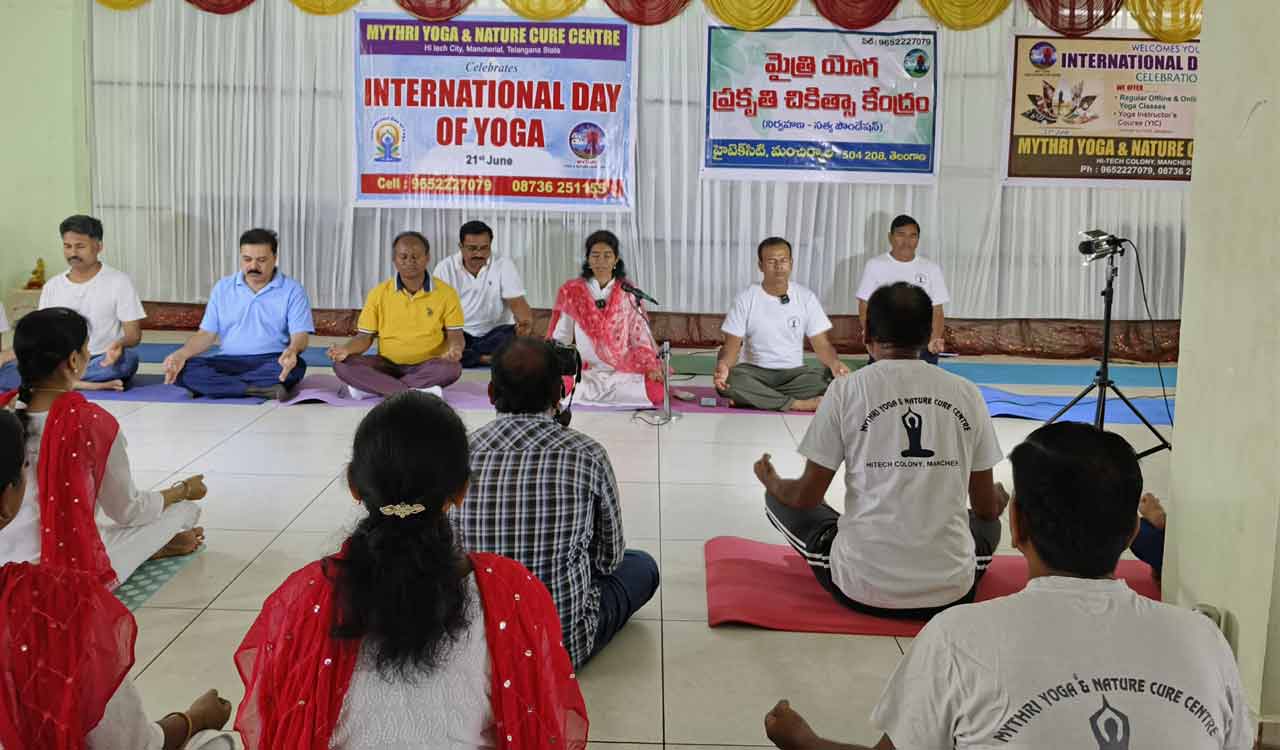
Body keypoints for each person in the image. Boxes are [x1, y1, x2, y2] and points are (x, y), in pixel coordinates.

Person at [763, 422, 1255, 750]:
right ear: (1130, 534)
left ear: (1016, 526)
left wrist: (805, 743)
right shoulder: (1203, 639)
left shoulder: (959, 637)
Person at [234, 391, 587, 749]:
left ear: (354, 486)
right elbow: (539, 722)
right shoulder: (510, 590)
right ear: (462, 490)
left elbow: (279, 717)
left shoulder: (310, 593)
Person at [754, 282, 1007, 619]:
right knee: (987, 524)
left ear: (866, 335)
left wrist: (771, 480)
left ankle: (865, 547)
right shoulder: (966, 393)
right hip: (952, 591)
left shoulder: (846, 391)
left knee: (779, 498)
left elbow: (805, 497)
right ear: (927, 334)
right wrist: (999, 497)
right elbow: (987, 509)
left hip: (861, 585)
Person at [454, 337, 659, 668]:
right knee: (642, 566)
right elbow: (608, 560)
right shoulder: (587, 454)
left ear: (491, 393)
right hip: (559, 650)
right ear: (559, 393)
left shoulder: (459, 453)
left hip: (477, 651)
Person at [0, 307, 208, 584]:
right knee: (183, 512)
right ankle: (154, 546)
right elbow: (127, 511)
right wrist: (181, 491)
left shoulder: (5, 414)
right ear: (75, 360)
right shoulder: (91, 423)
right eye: (87, 349)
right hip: (63, 575)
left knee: (89, 526)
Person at [163, 228, 314, 400]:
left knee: (296, 367)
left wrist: (293, 350)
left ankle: (215, 386)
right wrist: (180, 355)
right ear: (240, 257)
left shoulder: (292, 290)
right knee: (185, 368)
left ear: (275, 258)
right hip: (228, 361)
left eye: (261, 260)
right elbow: (205, 334)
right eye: (247, 259)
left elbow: (300, 336)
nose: (253, 266)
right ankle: (255, 389)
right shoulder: (223, 288)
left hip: (272, 360)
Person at [0, 215, 146, 392]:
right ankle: (80, 384)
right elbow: (41, 334)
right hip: (57, 361)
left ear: (98, 246)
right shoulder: (53, 286)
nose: (72, 253)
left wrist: (120, 344)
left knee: (128, 361)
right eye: (67, 246)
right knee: (9, 369)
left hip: (99, 358)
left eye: (80, 246)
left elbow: (134, 335)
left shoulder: (119, 281)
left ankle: (54, 382)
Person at [715, 237, 850, 412]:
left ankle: (759, 398)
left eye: (783, 260)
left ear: (791, 263)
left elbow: (822, 344)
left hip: (794, 375)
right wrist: (724, 366)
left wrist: (835, 364)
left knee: (834, 379)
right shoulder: (746, 298)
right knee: (729, 381)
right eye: (771, 261)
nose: (779, 266)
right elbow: (731, 347)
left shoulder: (806, 297)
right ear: (761, 265)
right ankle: (798, 404)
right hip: (755, 373)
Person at [328, 231, 465, 397]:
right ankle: (413, 391)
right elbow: (364, 337)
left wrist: (455, 349)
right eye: (403, 257)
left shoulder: (446, 293)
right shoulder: (378, 293)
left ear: (427, 258)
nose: (410, 262)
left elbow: (455, 334)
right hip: (387, 365)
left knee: (451, 368)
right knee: (342, 365)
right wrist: (345, 349)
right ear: (394, 260)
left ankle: (381, 389)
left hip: (428, 366)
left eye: (416, 256)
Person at [548, 229, 664, 408]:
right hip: (586, 372)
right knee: (554, 389)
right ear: (587, 259)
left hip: (622, 372)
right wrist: (552, 367)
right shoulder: (573, 292)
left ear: (616, 259)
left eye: (607, 256)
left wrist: (650, 367)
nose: (601, 261)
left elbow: (639, 338)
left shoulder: (628, 292)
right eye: (595, 256)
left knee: (656, 392)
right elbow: (561, 337)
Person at [433, 220, 535, 367]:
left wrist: (525, 324)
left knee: (514, 339)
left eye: (484, 248)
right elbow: (437, 309)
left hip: (494, 334)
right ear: (460, 247)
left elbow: (517, 302)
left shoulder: (503, 264)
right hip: (459, 333)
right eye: (472, 248)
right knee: (437, 342)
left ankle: (470, 357)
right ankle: (485, 359)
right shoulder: (444, 268)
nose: (479, 254)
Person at [855, 215, 950, 364]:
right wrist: (870, 337)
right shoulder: (875, 265)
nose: (907, 242)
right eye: (901, 235)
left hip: (921, 345)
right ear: (890, 237)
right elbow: (864, 305)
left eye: (913, 236)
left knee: (922, 386)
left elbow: (937, 310)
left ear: (918, 239)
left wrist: (934, 339)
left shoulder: (931, 268)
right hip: (886, 344)